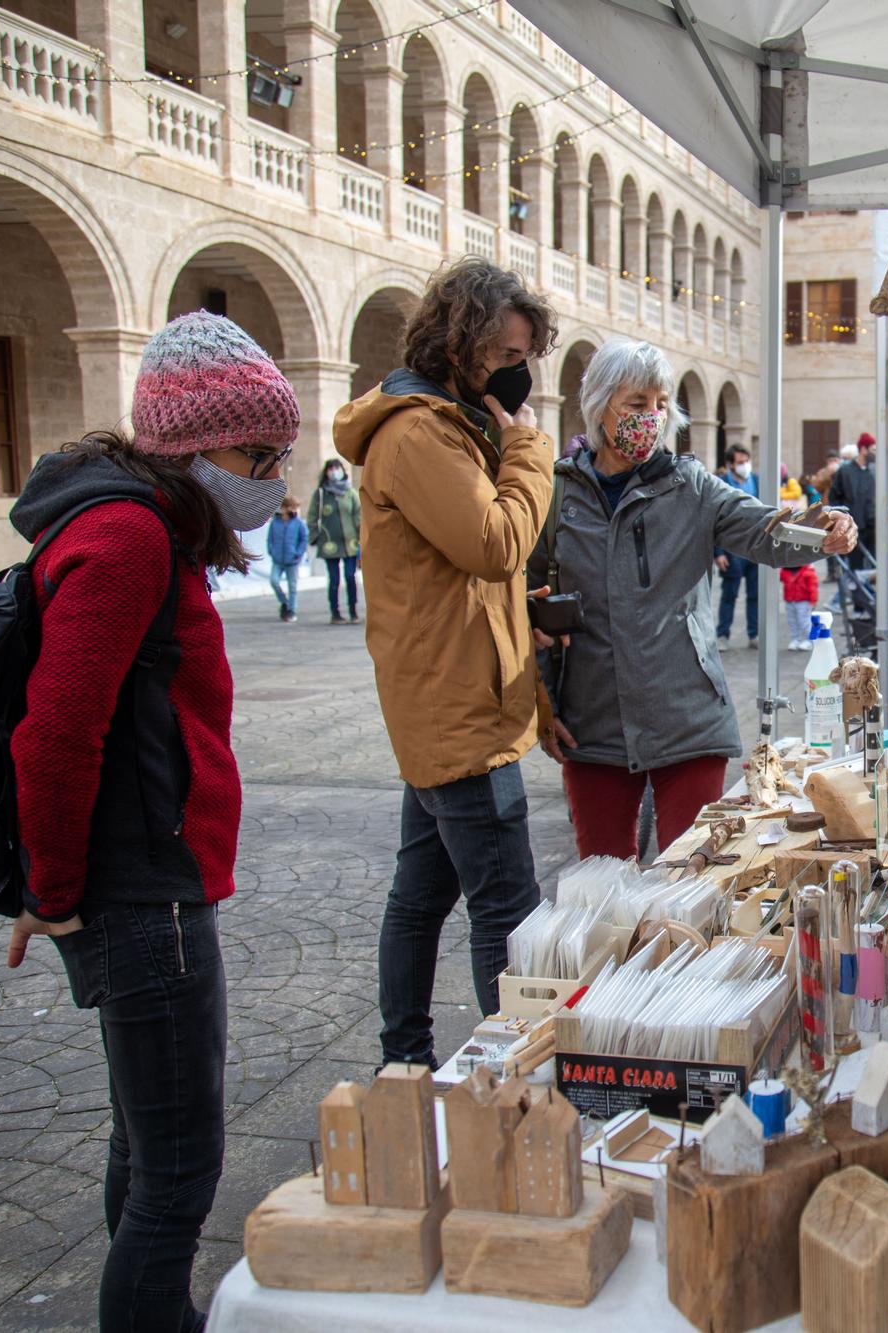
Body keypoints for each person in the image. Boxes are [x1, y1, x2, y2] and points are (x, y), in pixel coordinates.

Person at [5, 310, 298, 1331]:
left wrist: (54, 889)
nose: (269, 475)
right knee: (175, 1178)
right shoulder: (127, 535)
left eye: (277, 454)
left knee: (143, 1154)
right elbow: (56, 731)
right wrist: (51, 893)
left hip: (139, 884)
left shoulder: (138, 526)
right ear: (189, 443)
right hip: (143, 895)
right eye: (255, 452)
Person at [331, 257, 560, 1070]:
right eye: (505, 353)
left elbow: (459, 575)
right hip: (456, 711)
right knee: (508, 907)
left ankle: (406, 1062)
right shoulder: (421, 432)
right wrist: (530, 454)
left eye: (525, 352)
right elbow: (495, 544)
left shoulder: (448, 425)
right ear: (460, 344)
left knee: (421, 893)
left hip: (450, 696)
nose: (518, 371)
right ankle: (514, 1075)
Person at [529, 340, 857, 859]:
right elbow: (527, 603)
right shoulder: (554, 493)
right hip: (592, 721)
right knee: (602, 881)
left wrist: (824, 525)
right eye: (636, 404)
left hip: (688, 718)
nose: (652, 417)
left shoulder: (691, 485)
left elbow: (766, 530)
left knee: (690, 881)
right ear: (599, 406)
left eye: (660, 404)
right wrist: (542, 699)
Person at [715, 443, 759, 649]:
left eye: (747, 461)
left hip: (755, 549)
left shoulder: (757, 481)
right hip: (731, 549)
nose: (745, 465)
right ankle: (722, 634)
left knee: (755, 594)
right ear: (730, 465)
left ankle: (754, 634)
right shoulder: (721, 483)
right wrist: (718, 552)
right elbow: (713, 520)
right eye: (740, 462)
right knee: (729, 594)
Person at [308, 457, 362, 623]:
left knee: (350, 576)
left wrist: (363, 537)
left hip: (350, 543)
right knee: (334, 579)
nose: (334, 472)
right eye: (331, 469)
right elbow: (312, 516)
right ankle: (335, 612)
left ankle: (353, 610)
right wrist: (315, 535)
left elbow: (359, 516)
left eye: (336, 468)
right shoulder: (321, 493)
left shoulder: (351, 493)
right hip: (329, 543)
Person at [829, 432, 878, 553]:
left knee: (872, 567)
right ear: (863, 449)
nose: (875, 453)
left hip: (873, 527)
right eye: (873, 449)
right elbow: (834, 496)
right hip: (854, 527)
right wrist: (843, 518)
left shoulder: (874, 471)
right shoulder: (845, 471)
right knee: (855, 565)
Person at [265, 496, 308, 622]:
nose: (293, 510)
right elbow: (270, 538)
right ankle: (284, 602)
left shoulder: (298, 522)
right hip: (278, 559)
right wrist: (271, 551)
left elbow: (304, 538)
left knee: (292, 586)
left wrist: (298, 553)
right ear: (283, 508)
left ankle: (291, 610)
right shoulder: (275, 522)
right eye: (291, 507)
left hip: (292, 560)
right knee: (274, 581)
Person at [781, 561, 819, 650]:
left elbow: (813, 588)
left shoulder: (808, 571)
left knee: (804, 622)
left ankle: (809, 641)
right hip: (790, 601)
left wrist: (813, 601)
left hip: (803, 601)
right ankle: (795, 640)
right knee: (792, 622)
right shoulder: (785, 570)